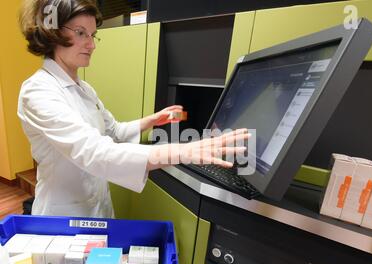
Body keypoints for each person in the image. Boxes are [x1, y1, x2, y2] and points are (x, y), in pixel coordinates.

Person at [17, 0, 249, 218]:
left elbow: (113, 132)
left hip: (98, 209)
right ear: (53, 32)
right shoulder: (37, 92)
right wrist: (183, 151)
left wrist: (152, 120)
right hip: (62, 216)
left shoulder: (84, 89)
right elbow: (94, 151)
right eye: (80, 33)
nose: (91, 44)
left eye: (92, 35)